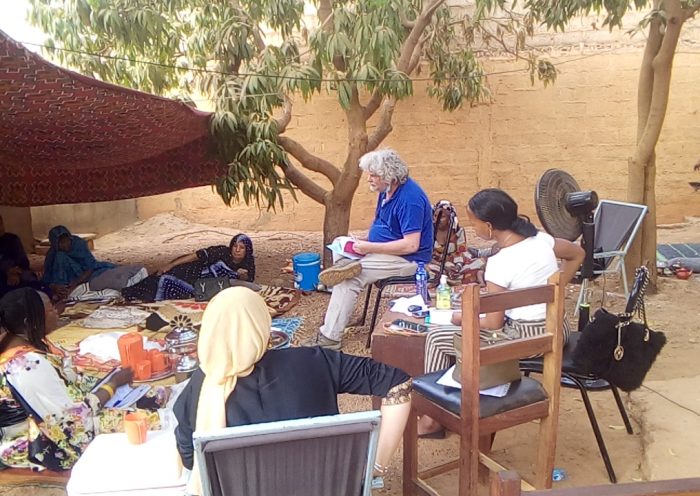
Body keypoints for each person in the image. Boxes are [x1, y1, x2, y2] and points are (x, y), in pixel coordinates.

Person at [173, 287, 412, 495]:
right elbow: (397, 383)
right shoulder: (314, 361)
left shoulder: (201, 387)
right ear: (263, 325)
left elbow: (192, 461)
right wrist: (375, 466)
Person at [419, 188, 585, 437]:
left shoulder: (500, 263)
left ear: (489, 226)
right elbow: (577, 254)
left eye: (473, 222)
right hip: (557, 328)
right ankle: (451, 400)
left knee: (436, 336)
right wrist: (557, 290)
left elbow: (493, 324)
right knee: (463, 325)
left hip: (527, 338)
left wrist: (458, 317)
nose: (472, 227)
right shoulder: (542, 240)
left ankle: (432, 420)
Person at [0, 288, 166, 470]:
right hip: (38, 441)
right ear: (29, 322)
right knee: (149, 421)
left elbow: (69, 385)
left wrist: (109, 383)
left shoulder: (26, 346)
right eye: (49, 310)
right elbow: (71, 421)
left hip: (62, 417)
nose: (57, 312)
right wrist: (111, 385)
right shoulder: (26, 365)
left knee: (155, 394)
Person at [303, 149, 434, 350]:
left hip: (410, 260)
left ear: (389, 176)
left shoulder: (410, 200)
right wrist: (365, 241)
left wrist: (369, 246)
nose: (368, 179)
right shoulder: (386, 191)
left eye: (373, 175)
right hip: (385, 251)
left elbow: (411, 245)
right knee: (340, 241)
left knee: (349, 279)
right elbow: (383, 225)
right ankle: (346, 270)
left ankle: (330, 338)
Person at [122, 233, 255, 302]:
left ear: (247, 250)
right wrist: (171, 264)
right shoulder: (221, 252)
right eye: (235, 246)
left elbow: (247, 282)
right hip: (191, 272)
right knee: (160, 278)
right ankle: (128, 291)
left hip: (202, 288)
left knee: (167, 288)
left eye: (241, 247)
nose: (237, 250)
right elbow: (196, 255)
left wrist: (243, 276)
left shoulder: (248, 263)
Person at [42, 226, 146, 299]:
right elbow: (47, 278)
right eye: (61, 243)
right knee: (60, 256)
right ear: (55, 244)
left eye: (66, 240)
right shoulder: (53, 254)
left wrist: (73, 285)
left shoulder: (78, 244)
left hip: (85, 274)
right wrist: (55, 287)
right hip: (67, 282)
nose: (65, 245)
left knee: (116, 276)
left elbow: (89, 267)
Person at [429, 200, 486, 286]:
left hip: (457, 263)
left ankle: (450, 280)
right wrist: (444, 266)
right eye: (435, 216)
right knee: (428, 268)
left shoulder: (458, 232)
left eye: (442, 217)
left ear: (450, 218)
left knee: (481, 261)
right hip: (437, 264)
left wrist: (457, 266)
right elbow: (426, 254)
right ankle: (455, 280)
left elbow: (461, 252)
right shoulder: (430, 232)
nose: (437, 219)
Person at [0, 215, 51, 298]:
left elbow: (23, 261)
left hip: (18, 273)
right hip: (3, 275)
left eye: (1, 223)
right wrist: (7, 271)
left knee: (33, 281)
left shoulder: (12, 239)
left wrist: (16, 272)